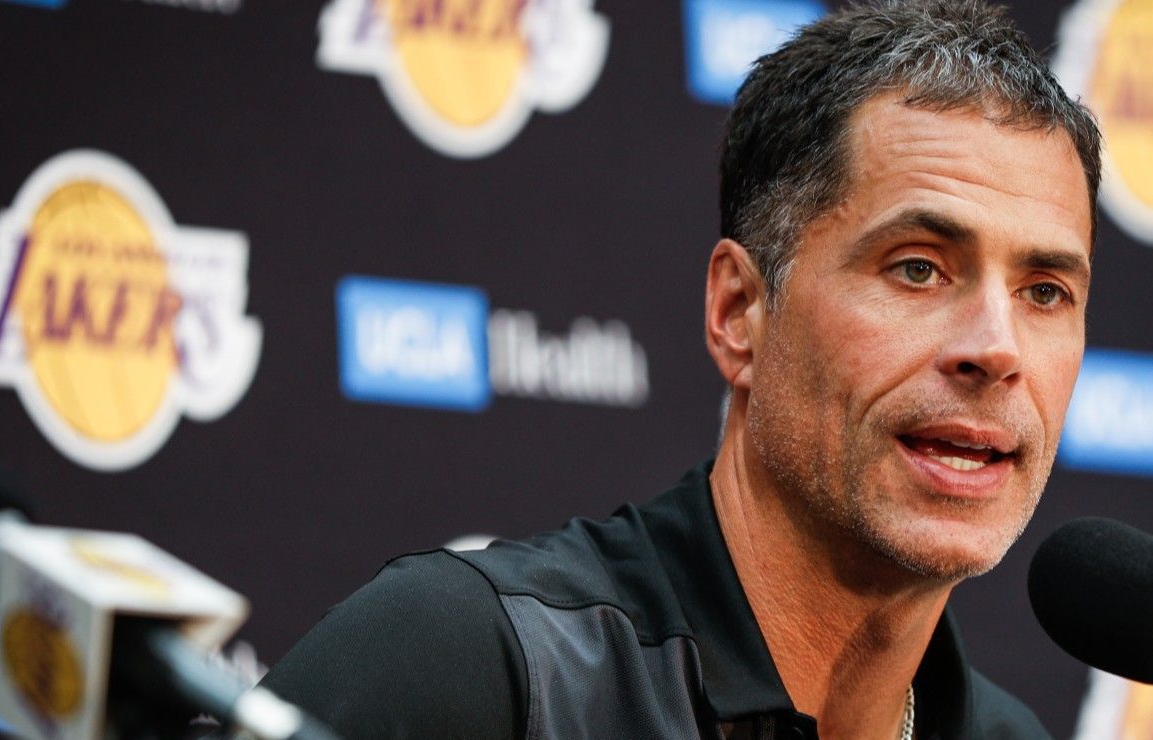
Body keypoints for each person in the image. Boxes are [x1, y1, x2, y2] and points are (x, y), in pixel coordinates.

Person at [239, 1, 1101, 738]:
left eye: (1045, 291)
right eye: (917, 268)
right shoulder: (475, 666)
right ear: (738, 311)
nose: (996, 348)